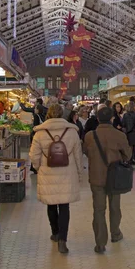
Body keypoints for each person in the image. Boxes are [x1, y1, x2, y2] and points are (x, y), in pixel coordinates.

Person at [29, 104, 83, 254]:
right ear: (62, 115)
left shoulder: (40, 133)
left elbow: (33, 155)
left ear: (48, 115)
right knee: (64, 206)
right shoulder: (72, 132)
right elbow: (78, 155)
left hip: (47, 173)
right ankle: (63, 240)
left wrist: (38, 167)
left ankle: (55, 232)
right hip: (67, 173)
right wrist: (79, 173)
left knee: (51, 204)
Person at [82, 107, 132, 253]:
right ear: (112, 119)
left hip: (96, 177)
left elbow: (86, 151)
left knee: (98, 210)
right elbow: (128, 155)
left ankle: (100, 242)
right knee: (115, 207)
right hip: (115, 177)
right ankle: (115, 233)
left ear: (97, 119)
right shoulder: (119, 135)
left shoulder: (90, 136)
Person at [123, 101, 135, 169]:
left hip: (129, 133)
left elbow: (123, 124)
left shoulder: (125, 115)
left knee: (130, 148)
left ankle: (129, 162)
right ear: (134, 107)